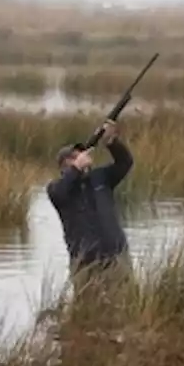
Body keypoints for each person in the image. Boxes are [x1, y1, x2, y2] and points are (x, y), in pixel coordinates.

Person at [46, 118, 134, 280]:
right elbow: (59, 193)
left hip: (116, 256)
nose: (82, 158)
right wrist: (76, 169)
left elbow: (125, 163)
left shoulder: (101, 177)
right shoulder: (57, 188)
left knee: (128, 302)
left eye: (82, 154)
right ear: (64, 165)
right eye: (74, 157)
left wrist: (111, 142)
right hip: (85, 261)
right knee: (86, 304)